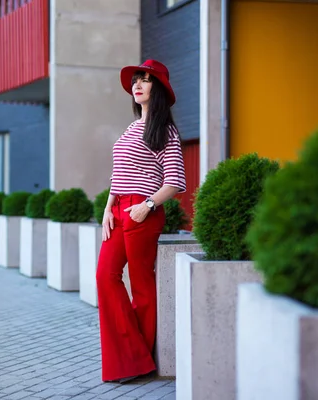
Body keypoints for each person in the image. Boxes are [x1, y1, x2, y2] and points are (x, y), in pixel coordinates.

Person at [96, 59, 186, 383]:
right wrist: (108, 207)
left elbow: (175, 180)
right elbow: (119, 173)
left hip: (142, 213)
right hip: (118, 210)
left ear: (157, 88)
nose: (137, 85)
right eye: (136, 79)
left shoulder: (166, 130)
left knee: (142, 287)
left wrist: (147, 205)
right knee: (105, 276)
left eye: (145, 80)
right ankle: (131, 357)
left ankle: (137, 363)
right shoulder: (131, 128)